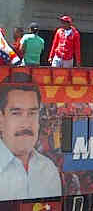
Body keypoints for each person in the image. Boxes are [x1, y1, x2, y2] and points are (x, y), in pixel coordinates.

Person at [0, 73, 61, 201]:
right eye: (16, 113)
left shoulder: (48, 170)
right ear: (1, 119)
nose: (26, 123)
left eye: (32, 113)